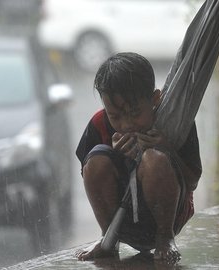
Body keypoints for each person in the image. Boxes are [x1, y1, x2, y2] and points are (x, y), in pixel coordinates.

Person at [74, 52, 202, 263]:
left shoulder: (174, 122)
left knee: (155, 159)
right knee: (96, 159)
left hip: (170, 216)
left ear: (155, 99)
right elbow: (90, 175)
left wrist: (166, 149)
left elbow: (193, 181)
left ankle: (165, 238)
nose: (126, 124)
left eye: (135, 113)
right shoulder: (99, 123)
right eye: (115, 116)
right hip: (119, 220)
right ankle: (108, 238)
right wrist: (116, 156)